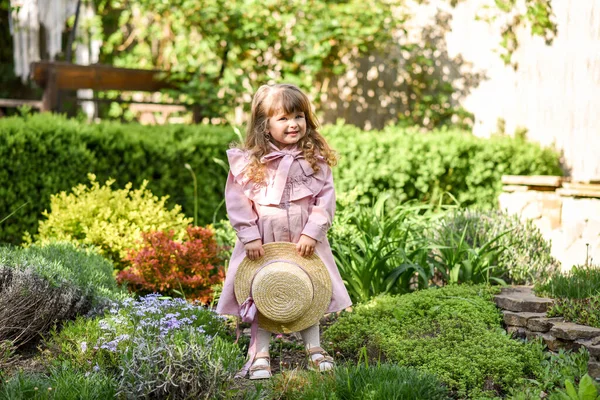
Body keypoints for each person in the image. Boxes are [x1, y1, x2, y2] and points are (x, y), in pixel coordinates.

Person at [216, 83, 352, 379]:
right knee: (263, 289)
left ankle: (314, 346)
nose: (293, 124)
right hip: (264, 241)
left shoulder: (314, 159)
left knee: (308, 289)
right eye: (283, 118)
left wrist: (312, 232)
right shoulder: (249, 161)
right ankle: (261, 352)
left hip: (303, 240)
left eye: (299, 116)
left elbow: (325, 199)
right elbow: (238, 202)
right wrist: (249, 235)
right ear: (265, 126)